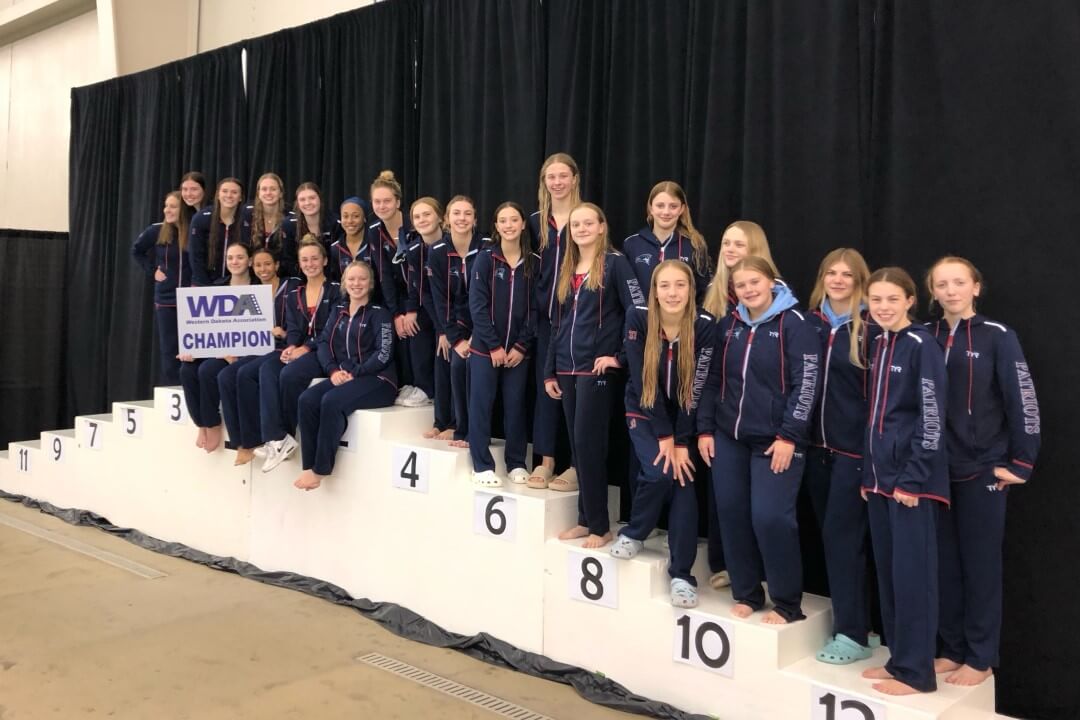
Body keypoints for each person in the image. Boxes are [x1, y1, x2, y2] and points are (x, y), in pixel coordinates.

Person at [926, 257, 1040, 687]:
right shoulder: (925, 335)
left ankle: (980, 656)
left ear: (976, 287)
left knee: (981, 567)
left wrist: (1022, 462)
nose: (951, 290)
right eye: (942, 284)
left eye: (959, 282)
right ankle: (951, 648)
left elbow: (1022, 398)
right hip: (936, 472)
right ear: (932, 291)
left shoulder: (998, 336)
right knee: (944, 565)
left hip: (983, 470)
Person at [697, 256, 819, 625]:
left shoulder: (795, 324)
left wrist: (789, 436)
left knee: (770, 518)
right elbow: (712, 379)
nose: (749, 290)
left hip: (776, 442)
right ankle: (747, 592)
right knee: (732, 513)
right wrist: (705, 429)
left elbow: (806, 383)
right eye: (741, 285)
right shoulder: (729, 325)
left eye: (755, 282)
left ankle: (787, 603)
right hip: (729, 437)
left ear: (771, 282)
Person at [858, 267, 949, 696]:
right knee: (891, 574)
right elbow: (876, 416)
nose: (883, 307)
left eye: (892, 299)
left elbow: (932, 416)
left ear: (910, 300)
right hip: (880, 481)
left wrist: (913, 478)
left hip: (911, 484)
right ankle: (899, 659)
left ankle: (917, 672)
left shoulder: (921, 345)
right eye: (876, 300)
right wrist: (869, 474)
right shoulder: (879, 342)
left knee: (914, 577)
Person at [615, 260, 715, 609]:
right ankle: (635, 531)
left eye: (680, 285)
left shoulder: (704, 325)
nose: (673, 293)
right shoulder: (638, 318)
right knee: (659, 472)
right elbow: (643, 380)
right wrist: (664, 436)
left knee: (684, 480)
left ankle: (682, 576)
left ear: (691, 290)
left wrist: (683, 439)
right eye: (665, 286)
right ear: (654, 291)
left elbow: (697, 387)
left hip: (684, 416)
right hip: (644, 409)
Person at [544, 202, 644, 549]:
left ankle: (600, 527)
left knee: (589, 445)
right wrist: (549, 369)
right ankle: (585, 520)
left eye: (588, 223)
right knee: (577, 445)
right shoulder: (567, 266)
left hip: (595, 370)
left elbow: (638, 310)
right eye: (576, 225)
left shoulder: (616, 263)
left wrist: (619, 357)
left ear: (602, 226)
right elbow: (557, 323)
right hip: (566, 367)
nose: (582, 229)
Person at [804, 248, 879, 663]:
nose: (837, 280)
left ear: (859, 281)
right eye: (831, 273)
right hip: (816, 451)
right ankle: (859, 626)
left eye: (847, 274)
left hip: (854, 454)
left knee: (843, 540)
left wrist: (872, 452)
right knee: (833, 540)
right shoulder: (810, 323)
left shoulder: (872, 327)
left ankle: (850, 633)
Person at [293, 260, 397, 491]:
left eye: (362, 279)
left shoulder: (380, 314)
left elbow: (384, 353)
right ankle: (308, 466)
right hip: (345, 375)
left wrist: (355, 371)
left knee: (331, 401)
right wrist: (332, 370)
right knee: (307, 399)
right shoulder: (338, 311)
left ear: (370, 283)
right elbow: (323, 343)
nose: (356, 283)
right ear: (344, 283)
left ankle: (321, 469)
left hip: (379, 380)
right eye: (351, 279)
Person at [467, 202, 539, 486]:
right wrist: (493, 346)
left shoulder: (534, 262)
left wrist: (521, 346)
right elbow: (477, 305)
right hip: (486, 349)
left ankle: (516, 462)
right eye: (503, 221)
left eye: (514, 220)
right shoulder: (485, 259)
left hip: (518, 353)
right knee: (481, 405)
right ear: (496, 226)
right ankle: (481, 465)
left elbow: (536, 309)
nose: (509, 225)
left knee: (516, 406)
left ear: (523, 224)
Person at [260, 236, 341, 472]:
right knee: (268, 369)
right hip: (301, 349)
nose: (310, 264)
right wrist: (291, 346)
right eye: (305, 260)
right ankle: (276, 437)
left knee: (290, 375)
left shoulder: (336, 290)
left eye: (314, 259)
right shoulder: (296, 292)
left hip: (325, 350)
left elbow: (332, 328)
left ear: (324, 261)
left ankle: (286, 433)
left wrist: (305, 348)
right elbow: (294, 327)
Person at [527, 153, 582, 489]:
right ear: (544, 182)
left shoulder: (585, 217)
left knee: (576, 395)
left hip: (579, 322)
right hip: (546, 321)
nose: (558, 182)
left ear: (574, 179)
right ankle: (545, 460)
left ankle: (576, 464)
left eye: (563, 176)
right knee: (545, 390)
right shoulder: (535, 222)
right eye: (551, 177)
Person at [219, 247, 299, 465]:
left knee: (246, 374)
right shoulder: (251, 292)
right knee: (225, 376)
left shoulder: (291, 286)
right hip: (259, 348)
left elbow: (300, 321)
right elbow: (240, 327)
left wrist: (285, 333)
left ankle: (257, 439)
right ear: (252, 267)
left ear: (277, 265)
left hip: (282, 347)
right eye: (258, 265)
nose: (263, 269)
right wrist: (232, 348)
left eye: (267, 264)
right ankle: (241, 443)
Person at [178, 242, 259, 453]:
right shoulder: (217, 287)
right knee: (187, 369)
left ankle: (212, 423)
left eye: (240, 257)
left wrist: (236, 353)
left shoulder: (259, 288)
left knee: (207, 370)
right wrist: (191, 348)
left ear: (250, 261)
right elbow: (202, 327)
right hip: (216, 348)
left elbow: (259, 331)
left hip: (240, 353)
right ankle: (201, 424)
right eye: (230, 258)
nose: (235, 262)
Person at [426, 195, 487, 445]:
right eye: (457, 213)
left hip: (483, 321)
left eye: (467, 213)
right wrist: (453, 337)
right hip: (456, 321)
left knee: (468, 367)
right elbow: (440, 300)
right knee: (451, 359)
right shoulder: (437, 251)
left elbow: (491, 295)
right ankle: (450, 425)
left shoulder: (487, 246)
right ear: (447, 219)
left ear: (475, 219)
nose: (462, 218)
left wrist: (477, 335)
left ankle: (469, 430)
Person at [131, 191, 193, 385]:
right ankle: (175, 386)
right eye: (166, 206)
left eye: (173, 206)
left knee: (192, 347)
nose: (167, 210)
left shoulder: (195, 230)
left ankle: (193, 387)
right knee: (170, 347)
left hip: (193, 299)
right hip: (166, 299)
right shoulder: (156, 230)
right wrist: (153, 271)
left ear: (183, 210)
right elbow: (137, 250)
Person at [622, 181, 711, 302]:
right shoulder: (632, 244)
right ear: (651, 208)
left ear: (682, 209)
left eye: (673, 206)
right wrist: (638, 310)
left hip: (682, 313)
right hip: (641, 313)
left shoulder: (695, 245)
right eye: (660, 206)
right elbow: (627, 288)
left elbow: (703, 290)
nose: (666, 212)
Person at [365, 170, 412, 397]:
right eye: (377, 202)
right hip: (396, 296)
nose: (382, 206)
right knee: (395, 332)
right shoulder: (374, 231)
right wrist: (395, 313)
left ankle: (424, 388)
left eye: (387, 201)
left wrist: (411, 309)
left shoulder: (413, 224)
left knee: (417, 333)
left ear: (398, 202)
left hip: (420, 294)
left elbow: (420, 273)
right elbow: (383, 274)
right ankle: (404, 385)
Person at [397, 197, 444, 409]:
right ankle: (423, 387)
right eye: (417, 217)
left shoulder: (450, 244)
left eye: (427, 214)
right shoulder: (414, 250)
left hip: (453, 306)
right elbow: (419, 288)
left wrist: (443, 328)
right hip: (430, 303)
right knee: (414, 325)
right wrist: (411, 310)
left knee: (444, 334)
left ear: (440, 217)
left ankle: (439, 391)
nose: (422, 220)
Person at [701, 220, 779, 318]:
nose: (730, 249)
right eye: (726, 243)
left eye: (739, 245)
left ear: (755, 249)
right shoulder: (713, 287)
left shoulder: (777, 288)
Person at [188, 177, 249, 287]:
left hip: (236, 285)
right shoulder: (201, 218)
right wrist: (206, 287)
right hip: (203, 284)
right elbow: (195, 257)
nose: (229, 195)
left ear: (240, 197)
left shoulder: (248, 220)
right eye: (225, 191)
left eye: (234, 192)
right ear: (218, 195)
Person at [245, 172, 297, 276]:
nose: (268, 193)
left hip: (283, 276)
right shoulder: (247, 214)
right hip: (253, 277)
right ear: (258, 193)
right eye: (264, 189)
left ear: (281, 193)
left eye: (273, 189)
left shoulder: (291, 217)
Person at [286, 182, 340, 273]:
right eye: (302, 199)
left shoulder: (335, 223)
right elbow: (288, 260)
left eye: (312, 198)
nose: (307, 203)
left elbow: (337, 259)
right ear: (297, 203)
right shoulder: (289, 225)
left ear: (320, 199)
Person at [329, 197, 367, 280]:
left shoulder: (374, 244)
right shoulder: (335, 249)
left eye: (356, 216)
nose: (350, 221)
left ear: (364, 218)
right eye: (345, 216)